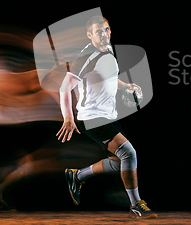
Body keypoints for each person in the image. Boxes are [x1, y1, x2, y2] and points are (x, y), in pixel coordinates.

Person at [56, 16, 157, 219]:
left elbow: (108, 75)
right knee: (129, 154)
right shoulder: (84, 58)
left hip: (108, 116)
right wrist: (68, 117)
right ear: (90, 35)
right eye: (99, 31)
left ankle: (77, 175)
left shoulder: (108, 49)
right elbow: (64, 88)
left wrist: (125, 86)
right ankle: (136, 204)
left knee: (121, 163)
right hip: (91, 118)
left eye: (107, 29)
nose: (104, 34)